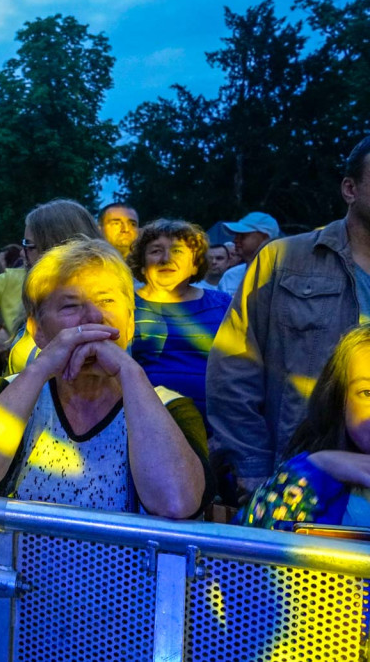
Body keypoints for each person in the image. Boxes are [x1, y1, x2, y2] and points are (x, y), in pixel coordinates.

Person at [0, 239, 210, 518]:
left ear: (130, 323)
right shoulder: (9, 393)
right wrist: (41, 367)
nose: (94, 316)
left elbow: (176, 502)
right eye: (71, 306)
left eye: (107, 301)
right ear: (37, 330)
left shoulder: (171, 407)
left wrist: (130, 372)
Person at [207, 136, 370, 498]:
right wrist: (252, 468)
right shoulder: (283, 260)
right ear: (350, 189)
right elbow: (233, 367)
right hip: (300, 481)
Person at [0, 199, 101, 376]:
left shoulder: (105, 296)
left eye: (28, 245)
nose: (21, 252)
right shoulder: (13, 280)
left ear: (53, 248)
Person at [240, 324, 370, 528]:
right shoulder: (314, 471)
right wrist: (317, 467)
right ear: (339, 399)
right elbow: (256, 535)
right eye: (367, 393)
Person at [126, 219, 231, 420]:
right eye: (156, 251)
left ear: (195, 264)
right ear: (142, 264)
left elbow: (240, 368)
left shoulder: (223, 304)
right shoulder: (124, 306)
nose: (166, 259)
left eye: (177, 251)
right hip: (143, 424)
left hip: (216, 427)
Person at [216, 212, 281, 295]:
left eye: (243, 235)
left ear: (265, 238)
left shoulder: (284, 276)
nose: (235, 240)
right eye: (236, 235)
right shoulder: (230, 276)